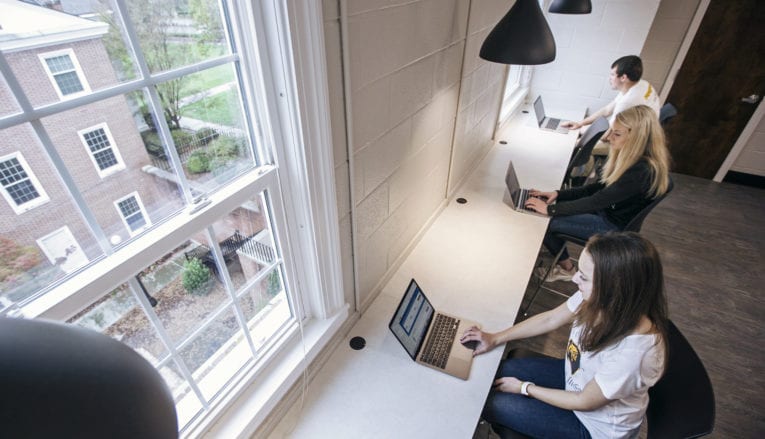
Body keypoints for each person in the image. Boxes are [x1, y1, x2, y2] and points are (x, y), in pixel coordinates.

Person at [460, 232, 669, 438]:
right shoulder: (599, 298)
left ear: (614, 288)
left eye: (584, 277)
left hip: (592, 427)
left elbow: (584, 401)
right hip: (577, 379)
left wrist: (525, 388)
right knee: (490, 374)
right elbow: (551, 319)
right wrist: (495, 337)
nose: (575, 278)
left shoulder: (635, 352)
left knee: (484, 402)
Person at [525, 104, 671, 282]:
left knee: (545, 222)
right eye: (611, 131)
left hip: (613, 227)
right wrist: (558, 194)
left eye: (617, 134)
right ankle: (562, 260)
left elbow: (596, 201)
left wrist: (550, 210)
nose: (609, 138)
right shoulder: (632, 158)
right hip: (607, 213)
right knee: (552, 212)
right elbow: (596, 189)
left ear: (637, 138)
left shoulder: (641, 171)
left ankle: (567, 269)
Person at [562, 55, 661, 131]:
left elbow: (608, 134)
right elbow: (607, 110)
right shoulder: (641, 84)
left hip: (633, 142)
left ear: (623, 78)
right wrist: (580, 124)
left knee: (577, 146)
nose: (610, 78)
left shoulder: (628, 102)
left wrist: (578, 131)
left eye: (613, 74)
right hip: (639, 131)